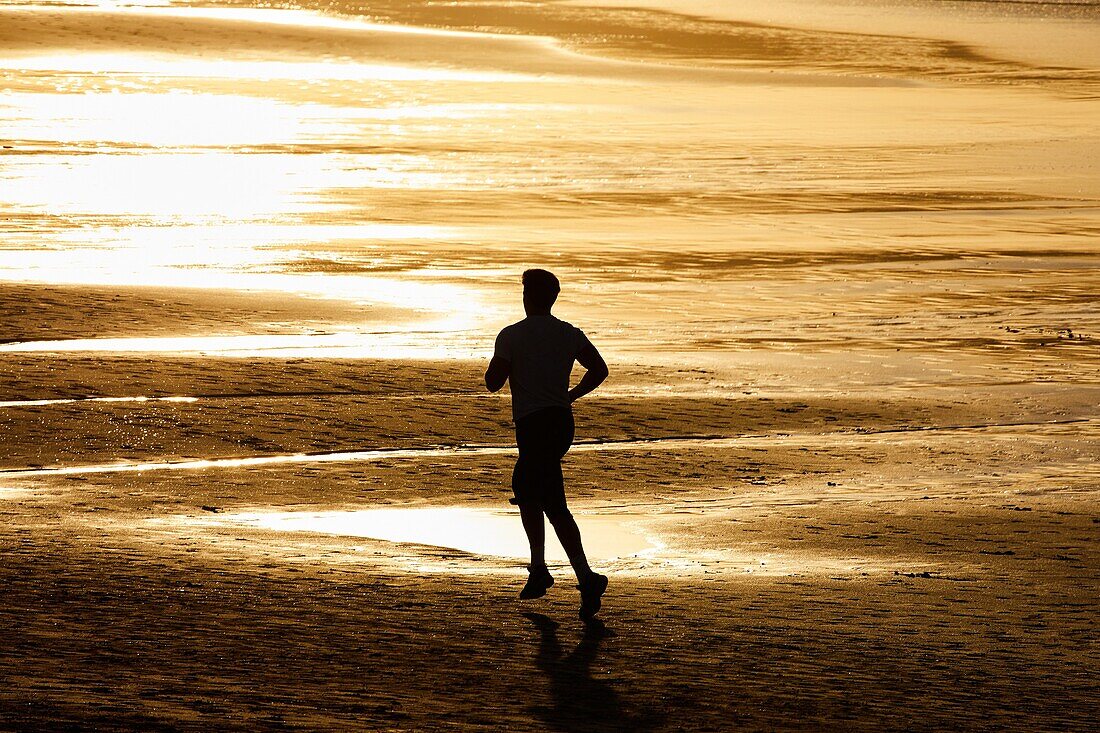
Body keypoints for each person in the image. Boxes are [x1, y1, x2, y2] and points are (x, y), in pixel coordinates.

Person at [485, 269, 609, 620]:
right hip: (559, 422)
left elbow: (493, 383)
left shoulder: (511, 335)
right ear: (552, 298)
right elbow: (598, 369)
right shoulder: (568, 333)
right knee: (535, 492)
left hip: (533, 425)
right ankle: (556, 573)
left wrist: (504, 364)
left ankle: (572, 575)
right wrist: (571, 396)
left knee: (542, 497)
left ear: (527, 297)